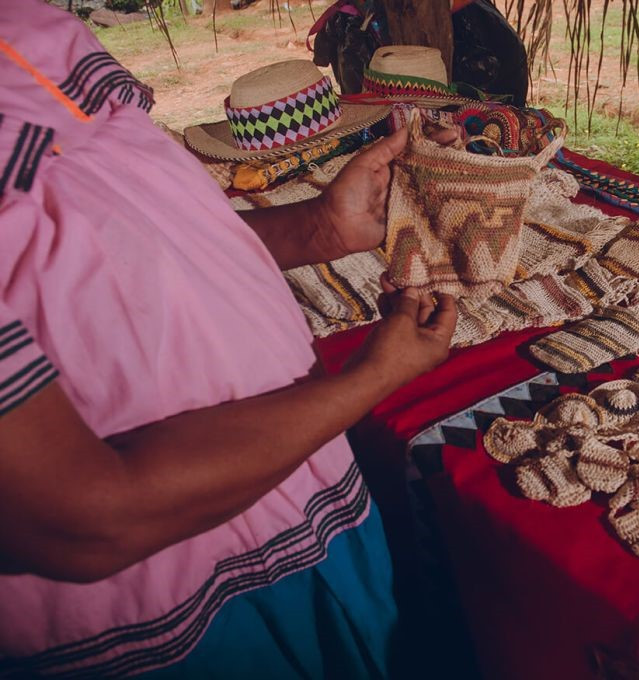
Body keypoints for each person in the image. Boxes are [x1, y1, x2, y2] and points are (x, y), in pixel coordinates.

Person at [0, 1, 457, 677]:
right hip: (174, 623)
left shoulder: (28, 31)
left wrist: (320, 229)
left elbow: (118, 247)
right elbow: (84, 519)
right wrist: (370, 379)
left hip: (306, 515)